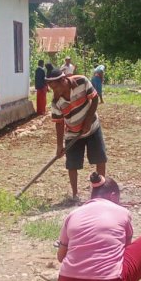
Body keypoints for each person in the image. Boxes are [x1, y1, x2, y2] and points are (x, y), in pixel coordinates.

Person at [57, 172, 141, 281]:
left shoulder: (73, 214)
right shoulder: (122, 212)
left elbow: (61, 257)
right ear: (113, 196)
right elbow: (124, 252)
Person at [47, 67, 108, 200]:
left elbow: (95, 98)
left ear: (63, 81)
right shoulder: (56, 102)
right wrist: (59, 146)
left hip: (92, 127)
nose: (54, 92)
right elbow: (59, 123)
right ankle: (75, 195)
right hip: (73, 134)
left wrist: (87, 122)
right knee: (72, 164)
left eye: (55, 88)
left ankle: (100, 192)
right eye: (51, 89)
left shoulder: (82, 81)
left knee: (100, 159)